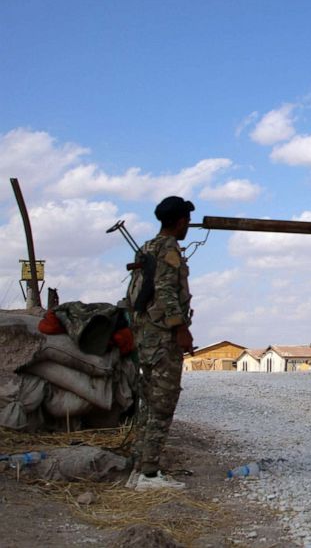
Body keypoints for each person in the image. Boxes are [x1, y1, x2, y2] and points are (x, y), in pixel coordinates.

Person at [127, 196, 196, 491]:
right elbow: (166, 291)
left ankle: (139, 465)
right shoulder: (168, 249)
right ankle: (150, 474)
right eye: (187, 221)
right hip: (162, 337)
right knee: (163, 402)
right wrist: (181, 329)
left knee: (148, 402)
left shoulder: (147, 246)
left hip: (144, 334)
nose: (189, 226)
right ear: (180, 221)